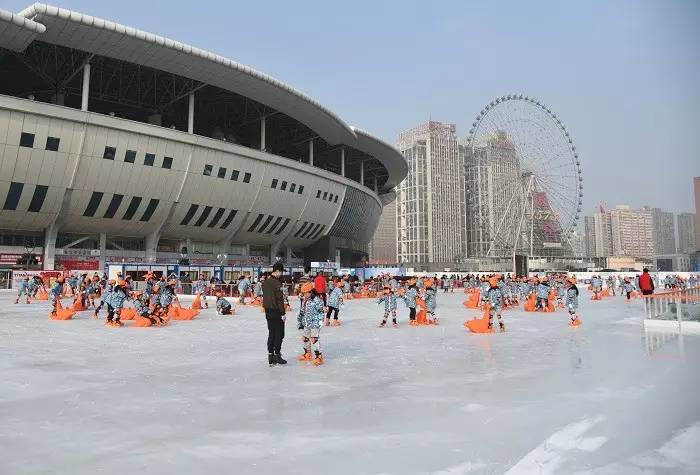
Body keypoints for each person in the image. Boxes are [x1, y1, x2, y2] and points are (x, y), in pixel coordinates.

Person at [262, 262, 287, 366]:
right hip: (277, 311)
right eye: (280, 272)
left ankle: (270, 355)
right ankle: (277, 355)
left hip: (268, 311)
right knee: (279, 333)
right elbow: (279, 299)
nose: (281, 274)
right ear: (277, 271)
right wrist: (283, 313)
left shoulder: (265, 283)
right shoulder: (277, 283)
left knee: (271, 332)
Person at [297, 283, 325, 365]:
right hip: (306, 323)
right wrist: (300, 320)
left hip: (315, 324)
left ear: (311, 292)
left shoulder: (317, 300)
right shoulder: (305, 300)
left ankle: (318, 356)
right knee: (305, 338)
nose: (304, 295)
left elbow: (321, 312)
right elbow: (302, 311)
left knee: (314, 339)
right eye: (303, 293)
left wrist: (319, 322)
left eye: (306, 293)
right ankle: (307, 353)